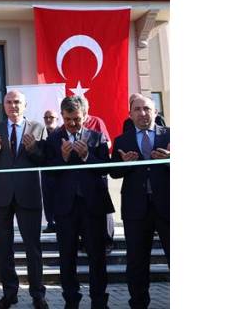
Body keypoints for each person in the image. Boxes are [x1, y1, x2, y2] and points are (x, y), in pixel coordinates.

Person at [0, 90, 49, 309]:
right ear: (4, 106)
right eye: (9, 102)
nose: (13, 106)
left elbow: (45, 161)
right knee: (3, 247)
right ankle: (9, 293)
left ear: (25, 105)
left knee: (33, 246)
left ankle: (38, 294)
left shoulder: (38, 128)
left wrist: (32, 149)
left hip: (28, 194)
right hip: (1, 196)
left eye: (17, 102)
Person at [45, 96, 111, 309]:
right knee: (67, 257)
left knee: (97, 258)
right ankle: (71, 301)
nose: (73, 124)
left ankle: (99, 301)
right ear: (62, 117)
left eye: (77, 119)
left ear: (84, 116)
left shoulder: (97, 137)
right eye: (68, 119)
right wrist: (62, 160)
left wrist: (86, 157)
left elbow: (105, 169)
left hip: (93, 207)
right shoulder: (54, 139)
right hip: (66, 208)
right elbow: (48, 173)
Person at [110, 96, 170, 309]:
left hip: (168, 207)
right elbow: (114, 172)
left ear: (155, 112)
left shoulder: (171, 135)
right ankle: (138, 303)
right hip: (136, 210)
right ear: (130, 114)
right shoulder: (122, 140)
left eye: (147, 109)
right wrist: (125, 164)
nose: (142, 113)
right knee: (136, 262)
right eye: (137, 109)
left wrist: (171, 158)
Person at [80, 98, 116, 253]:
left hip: (97, 173)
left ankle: (107, 239)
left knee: (103, 208)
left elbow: (107, 143)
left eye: (85, 109)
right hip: (82, 177)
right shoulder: (70, 124)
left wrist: (89, 149)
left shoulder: (96, 121)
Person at [41, 110, 58, 234]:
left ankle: (59, 222)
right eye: (46, 117)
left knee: (59, 198)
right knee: (47, 198)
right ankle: (50, 222)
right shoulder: (41, 133)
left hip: (59, 173)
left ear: (57, 119)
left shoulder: (62, 133)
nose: (48, 119)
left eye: (51, 117)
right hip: (46, 172)